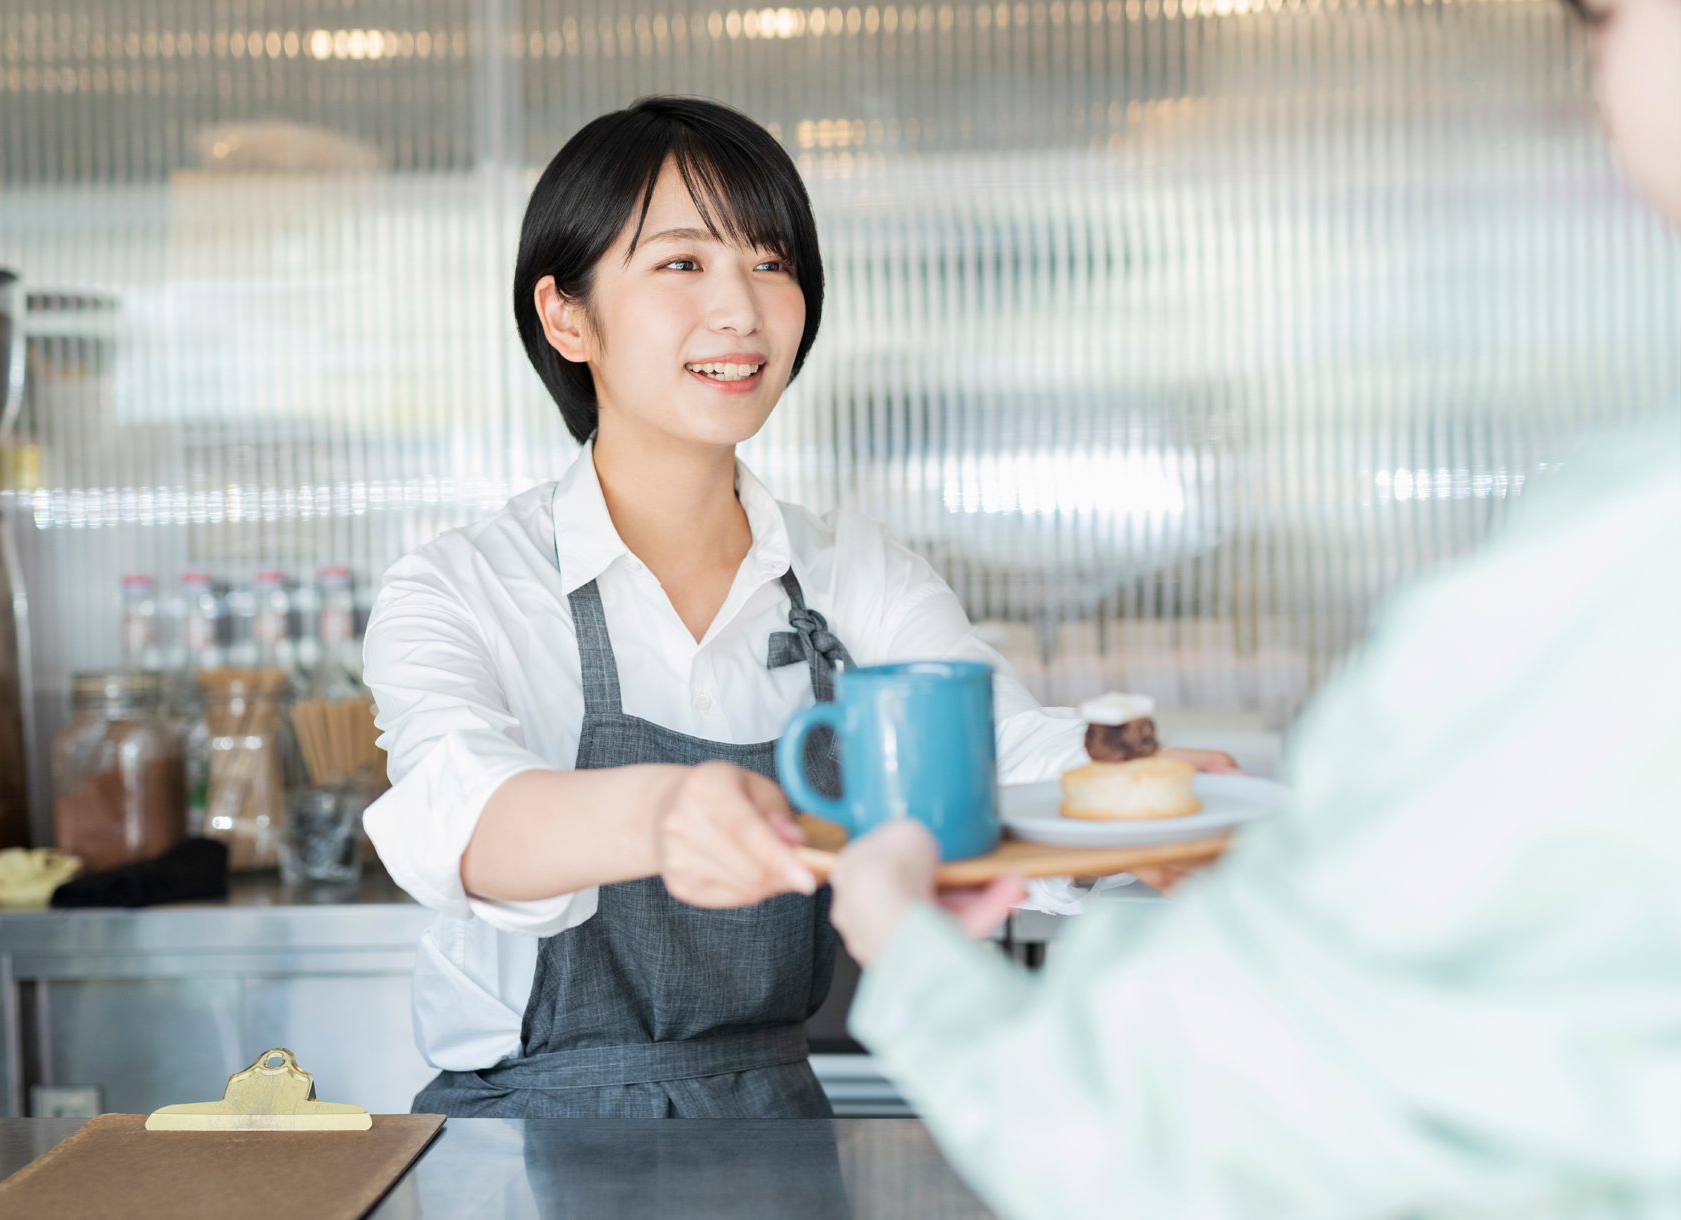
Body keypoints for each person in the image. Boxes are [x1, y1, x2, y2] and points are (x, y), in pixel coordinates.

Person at [825, 0, 1681, 1211]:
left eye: (1599, 21)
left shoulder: (1621, 562)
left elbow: (1185, 1118)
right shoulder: (482, 578)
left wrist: (909, 944)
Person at [360, 95, 1230, 1119]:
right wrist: (669, 812)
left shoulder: (858, 576)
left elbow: (996, 759)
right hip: (517, 1134)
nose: (741, 310)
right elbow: (458, 817)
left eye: (770, 262)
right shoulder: (461, 585)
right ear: (566, 315)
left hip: (774, 1117)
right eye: (682, 263)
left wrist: (1135, 800)